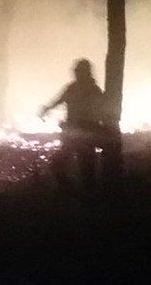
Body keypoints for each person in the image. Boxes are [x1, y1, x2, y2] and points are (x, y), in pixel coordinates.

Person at [39, 58, 106, 192]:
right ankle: (75, 195)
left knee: (85, 168)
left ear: (84, 72)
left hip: (84, 134)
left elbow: (102, 112)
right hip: (76, 133)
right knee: (63, 165)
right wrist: (46, 109)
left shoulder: (92, 90)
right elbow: (59, 100)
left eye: (77, 71)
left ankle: (82, 198)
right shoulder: (77, 88)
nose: (75, 73)